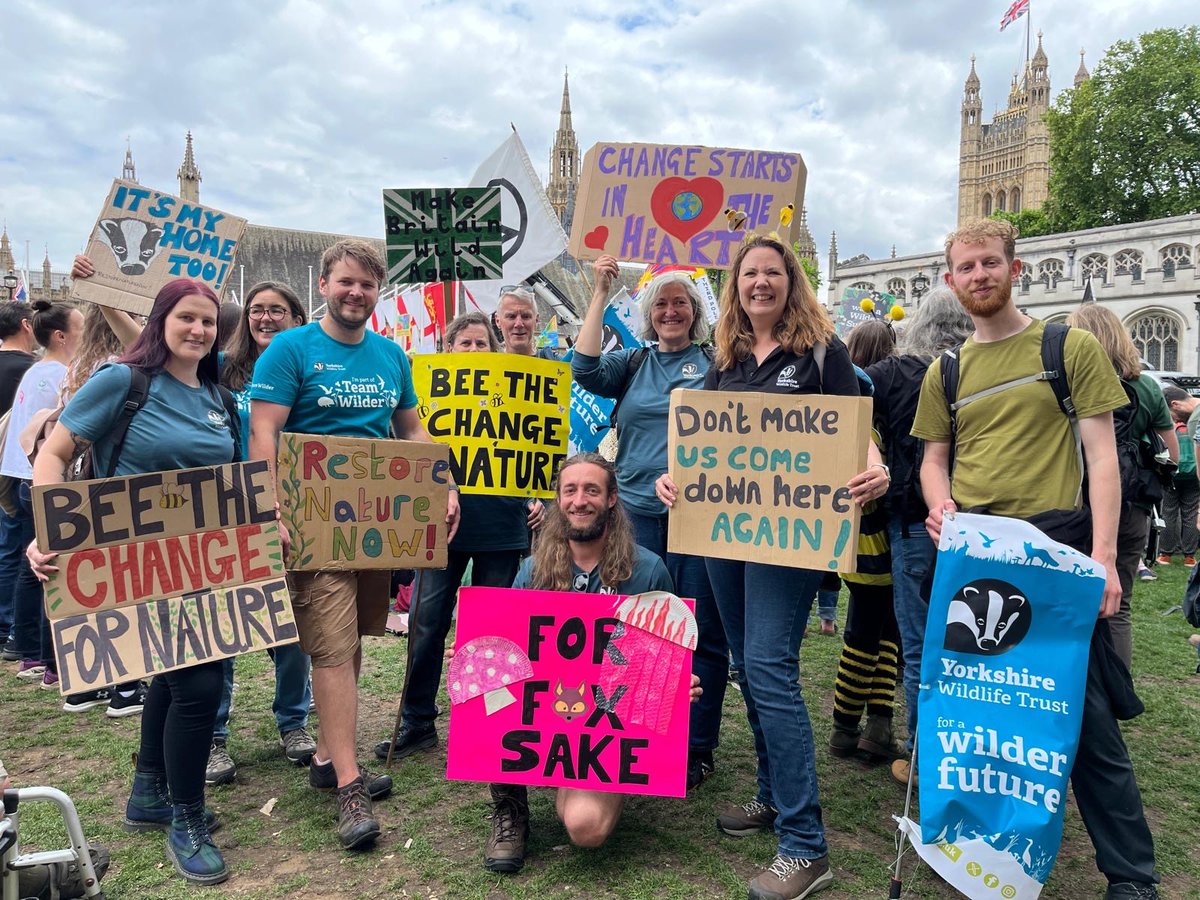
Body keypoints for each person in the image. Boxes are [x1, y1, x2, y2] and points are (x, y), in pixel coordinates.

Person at [913, 218, 1159, 899]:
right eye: (967, 267)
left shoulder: (1067, 347)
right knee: (976, 713)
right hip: (974, 558)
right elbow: (934, 462)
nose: (980, 276)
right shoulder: (948, 370)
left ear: (1014, 269)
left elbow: (1104, 458)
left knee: (1080, 717)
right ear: (951, 281)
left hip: (1054, 551)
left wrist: (1106, 559)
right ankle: (983, 850)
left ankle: (1131, 875)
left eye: (990, 263)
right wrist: (940, 507)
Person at [657, 234, 888, 900]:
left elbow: (858, 430)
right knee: (742, 665)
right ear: (735, 287)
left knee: (769, 668)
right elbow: (703, 437)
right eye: (749, 274)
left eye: (772, 273)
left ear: (792, 283)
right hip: (723, 531)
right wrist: (677, 477)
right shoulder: (724, 357)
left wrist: (878, 465)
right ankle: (769, 793)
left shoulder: (823, 353)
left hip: (791, 537)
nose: (760, 283)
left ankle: (805, 845)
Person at [249, 238, 459, 851]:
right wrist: (272, 509)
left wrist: (441, 482)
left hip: (374, 524)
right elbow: (266, 432)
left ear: (377, 292)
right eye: (345, 282)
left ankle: (324, 753)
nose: (355, 294)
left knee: (351, 642)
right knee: (333, 651)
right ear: (323, 284)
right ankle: (348, 782)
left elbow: (410, 430)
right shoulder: (290, 350)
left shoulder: (392, 356)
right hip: (313, 523)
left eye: (367, 285)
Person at [28, 278, 239, 885]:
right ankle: (186, 816)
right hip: (133, 562)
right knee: (198, 686)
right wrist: (52, 526)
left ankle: (149, 792)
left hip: (204, 564)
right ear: (161, 320)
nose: (199, 330)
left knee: (177, 680)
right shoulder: (124, 382)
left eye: (208, 322)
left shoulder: (218, 398)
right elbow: (55, 450)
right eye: (187, 318)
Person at [484, 453, 698, 873]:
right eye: (570, 490)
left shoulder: (648, 571)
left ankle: (579, 781)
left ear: (612, 499)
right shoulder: (531, 571)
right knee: (490, 689)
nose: (580, 501)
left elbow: (664, 660)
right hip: (545, 719)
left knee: (584, 827)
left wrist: (675, 685)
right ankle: (510, 807)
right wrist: (481, 652)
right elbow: (507, 648)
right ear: (557, 501)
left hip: (602, 733)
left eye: (592, 490)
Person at [571, 256, 727, 791]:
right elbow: (584, 368)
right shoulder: (633, 363)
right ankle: (642, 726)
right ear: (647, 313)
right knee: (636, 628)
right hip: (636, 513)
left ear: (695, 310)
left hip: (700, 515)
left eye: (680, 301)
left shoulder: (716, 364)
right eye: (660, 303)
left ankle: (696, 745)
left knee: (698, 629)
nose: (670, 311)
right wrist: (599, 291)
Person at [374, 310, 545, 762]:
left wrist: (539, 494)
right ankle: (417, 719)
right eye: (464, 343)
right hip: (438, 523)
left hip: (502, 525)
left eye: (481, 343)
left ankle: (490, 719)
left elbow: (542, 446)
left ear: (495, 349)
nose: (473, 351)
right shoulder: (425, 393)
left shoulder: (518, 391)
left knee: (494, 629)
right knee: (427, 622)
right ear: (448, 349)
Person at [860, 286, 975, 787]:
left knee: (922, 644)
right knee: (976, 646)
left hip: (913, 520)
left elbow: (845, 397)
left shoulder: (896, 373)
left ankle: (925, 757)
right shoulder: (980, 367)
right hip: (984, 523)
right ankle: (968, 757)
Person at [207, 282, 314, 786]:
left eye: (277, 310)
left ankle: (294, 721)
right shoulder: (222, 368)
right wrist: (110, 297)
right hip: (229, 508)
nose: (266, 318)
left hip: (293, 509)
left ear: (297, 316)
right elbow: (151, 355)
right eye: (257, 310)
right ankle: (213, 733)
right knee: (220, 625)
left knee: (292, 623)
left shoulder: (308, 367)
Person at [1065, 304, 1177, 669]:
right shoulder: (1146, 385)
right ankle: (1114, 698)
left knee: (1065, 601)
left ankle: (1070, 696)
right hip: (1130, 505)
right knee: (1118, 604)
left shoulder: (1064, 379)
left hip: (1073, 498)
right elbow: (1171, 453)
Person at [829, 318, 903, 764]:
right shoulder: (873, 412)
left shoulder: (852, 405)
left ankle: (873, 725)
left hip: (856, 545)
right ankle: (851, 725)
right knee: (870, 634)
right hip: (878, 543)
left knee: (872, 632)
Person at [2, 300, 83, 688]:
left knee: (28, 565)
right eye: (81, 330)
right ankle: (48, 659)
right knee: (49, 565)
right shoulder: (58, 373)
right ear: (61, 336)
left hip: (22, 478)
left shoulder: (36, 370)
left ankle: (27, 647)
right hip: (41, 480)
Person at [0, 302, 36, 658]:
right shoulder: (34, 370)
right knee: (25, 551)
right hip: (22, 470)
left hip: (6, 469)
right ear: (27, 326)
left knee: (7, 551)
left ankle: (7, 628)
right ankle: (16, 633)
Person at [1158, 386, 1199, 567]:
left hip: (1173, 474)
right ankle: (1189, 556)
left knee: (1169, 512)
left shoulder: (1171, 428)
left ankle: (1165, 554)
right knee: (1191, 513)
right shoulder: (1192, 424)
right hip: (1193, 475)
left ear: (1174, 406)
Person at [495, 286, 557, 359]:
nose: (519, 324)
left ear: (536, 320)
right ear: (497, 321)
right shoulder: (487, 363)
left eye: (526, 316)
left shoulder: (558, 363)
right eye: (511, 316)